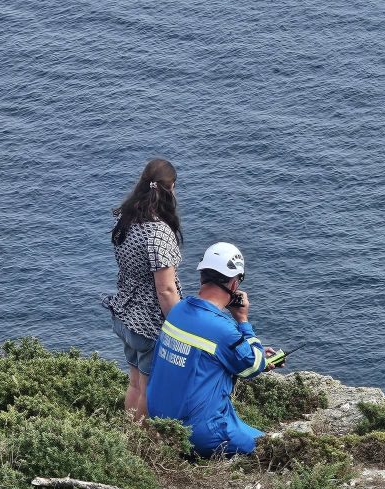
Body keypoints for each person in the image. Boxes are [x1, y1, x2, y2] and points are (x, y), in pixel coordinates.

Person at [147, 242, 277, 457]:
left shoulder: (178, 310)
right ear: (235, 284)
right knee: (274, 447)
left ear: (202, 277)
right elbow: (253, 367)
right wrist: (242, 320)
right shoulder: (224, 329)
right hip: (201, 433)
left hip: (161, 423)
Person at [101, 158, 183, 420]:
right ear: (169, 190)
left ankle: (130, 435)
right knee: (149, 389)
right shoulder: (157, 231)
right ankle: (142, 443)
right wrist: (182, 325)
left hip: (125, 315)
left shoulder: (125, 219)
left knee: (135, 383)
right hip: (149, 323)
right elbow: (166, 290)